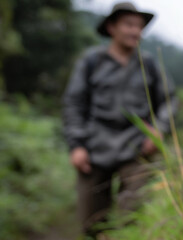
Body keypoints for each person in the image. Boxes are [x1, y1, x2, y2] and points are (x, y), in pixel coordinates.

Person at [62, 2, 176, 237]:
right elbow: (74, 103)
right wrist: (77, 145)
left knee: (134, 217)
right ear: (112, 27)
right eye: (129, 24)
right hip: (95, 146)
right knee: (91, 222)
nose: (136, 31)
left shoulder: (149, 65)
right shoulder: (91, 62)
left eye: (139, 26)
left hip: (136, 148)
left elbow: (169, 101)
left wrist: (158, 129)